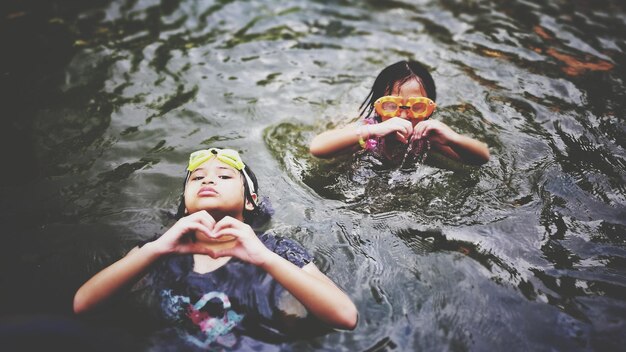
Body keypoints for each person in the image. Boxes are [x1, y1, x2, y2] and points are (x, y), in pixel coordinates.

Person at [73, 148, 358, 349]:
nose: (208, 180)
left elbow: (344, 317)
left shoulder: (276, 249)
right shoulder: (158, 249)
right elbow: (84, 305)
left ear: (250, 201)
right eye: (197, 178)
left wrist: (265, 259)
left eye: (224, 176)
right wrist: (154, 250)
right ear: (184, 204)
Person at [309, 60, 490, 166]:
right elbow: (317, 148)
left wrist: (452, 137)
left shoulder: (428, 138)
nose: (403, 115)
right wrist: (371, 131)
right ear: (377, 105)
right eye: (390, 105)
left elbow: (482, 158)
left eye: (417, 106)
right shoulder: (369, 132)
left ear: (430, 109)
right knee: (344, 123)